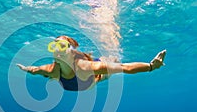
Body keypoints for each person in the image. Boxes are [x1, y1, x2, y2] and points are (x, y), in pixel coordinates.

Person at [17, 35, 166, 91]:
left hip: (91, 79)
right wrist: (26, 68)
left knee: (111, 62)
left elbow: (125, 68)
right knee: (48, 74)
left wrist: (151, 66)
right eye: (54, 46)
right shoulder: (51, 70)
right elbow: (35, 70)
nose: (57, 49)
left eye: (62, 46)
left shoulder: (86, 67)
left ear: (71, 51)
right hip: (67, 79)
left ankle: (111, 50)